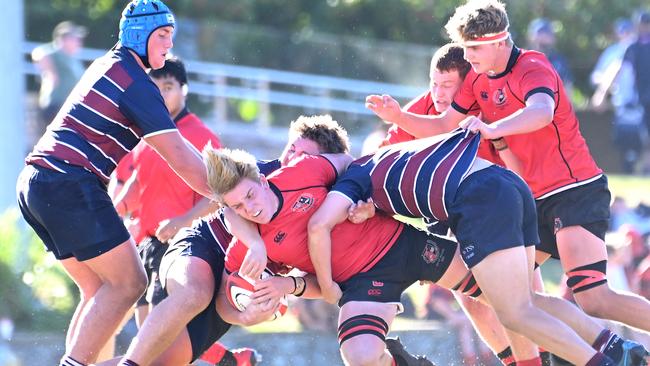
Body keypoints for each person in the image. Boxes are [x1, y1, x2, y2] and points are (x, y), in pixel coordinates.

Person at [366, 0, 650, 342]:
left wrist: (493, 128)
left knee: (594, 297)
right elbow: (443, 124)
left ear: (499, 42)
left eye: (474, 48)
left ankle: (609, 350)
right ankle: (585, 354)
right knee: (506, 297)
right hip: (530, 199)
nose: (468, 56)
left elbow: (541, 111)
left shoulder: (533, 66)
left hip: (571, 191)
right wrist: (398, 118)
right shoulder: (476, 78)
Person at [312, 128, 647, 366]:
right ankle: (618, 349)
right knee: (526, 301)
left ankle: (605, 362)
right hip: (508, 184)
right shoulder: (382, 163)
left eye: (303, 158)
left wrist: (327, 285)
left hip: (478, 197)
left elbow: (319, 225)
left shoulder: (353, 175)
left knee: (514, 312)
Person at [16, 1, 214, 365]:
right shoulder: (136, 83)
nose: (170, 45)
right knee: (130, 284)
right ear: (141, 34)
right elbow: (183, 160)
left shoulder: (109, 64)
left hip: (38, 182)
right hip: (68, 182)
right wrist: (232, 191)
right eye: (164, 35)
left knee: (98, 289)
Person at [99, 115, 349, 366]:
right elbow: (229, 209)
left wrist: (251, 315)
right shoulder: (265, 173)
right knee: (194, 293)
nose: (290, 158)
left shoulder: (323, 210)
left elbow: (353, 167)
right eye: (291, 148)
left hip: (233, 283)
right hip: (203, 246)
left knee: (159, 363)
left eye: (302, 156)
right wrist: (255, 242)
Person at [31, 21, 87, 146]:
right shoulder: (56, 53)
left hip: (68, 108)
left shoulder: (73, 59)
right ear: (65, 39)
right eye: (75, 38)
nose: (79, 42)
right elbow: (39, 53)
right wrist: (51, 72)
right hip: (55, 105)